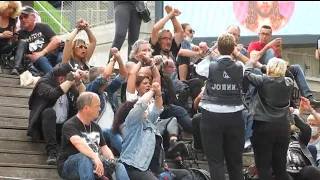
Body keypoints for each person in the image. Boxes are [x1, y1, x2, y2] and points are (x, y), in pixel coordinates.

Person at [119, 81, 192, 180]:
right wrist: (152, 90)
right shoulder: (131, 123)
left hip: (153, 169)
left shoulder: (148, 122)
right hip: (134, 167)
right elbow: (141, 104)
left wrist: (158, 93)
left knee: (185, 174)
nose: (145, 111)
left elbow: (157, 108)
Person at [198, 33, 246, 180]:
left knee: (215, 162)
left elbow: (199, 69)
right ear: (233, 48)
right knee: (236, 163)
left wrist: (209, 52)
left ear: (217, 47)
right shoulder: (241, 66)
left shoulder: (209, 65)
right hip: (235, 116)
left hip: (211, 116)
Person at [57, 92, 129, 180]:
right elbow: (78, 143)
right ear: (86, 107)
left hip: (93, 164)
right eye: (97, 106)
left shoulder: (96, 127)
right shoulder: (70, 124)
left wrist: (111, 161)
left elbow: (104, 148)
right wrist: (95, 157)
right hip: (69, 166)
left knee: (119, 166)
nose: (100, 109)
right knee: (84, 158)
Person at [28, 62, 86, 165]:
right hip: (43, 129)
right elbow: (52, 95)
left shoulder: (70, 87)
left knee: (78, 114)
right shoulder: (43, 83)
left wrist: (78, 82)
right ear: (61, 78)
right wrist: (69, 81)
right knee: (49, 112)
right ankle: (52, 152)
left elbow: (84, 99)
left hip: (63, 128)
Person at [248, 25, 320, 107]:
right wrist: (268, 46)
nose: (264, 36)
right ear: (259, 34)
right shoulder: (253, 44)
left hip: (277, 72)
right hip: (262, 71)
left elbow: (280, 63)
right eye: (263, 34)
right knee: (270, 51)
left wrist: (279, 54)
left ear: (270, 36)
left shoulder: (273, 47)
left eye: (267, 34)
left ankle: (308, 97)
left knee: (296, 68)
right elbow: (253, 58)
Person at [246, 57, 293, 180]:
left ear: (269, 68)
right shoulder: (289, 82)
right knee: (280, 168)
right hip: (284, 127)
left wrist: (251, 61)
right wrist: (273, 68)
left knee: (264, 167)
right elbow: (287, 73)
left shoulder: (263, 80)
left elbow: (247, 73)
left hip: (264, 126)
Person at [18, 6, 62, 74]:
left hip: (51, 56)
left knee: (61, 58)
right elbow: (19, 52)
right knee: (41, 59)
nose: (23, 19)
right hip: (37, 61)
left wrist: (42, 53)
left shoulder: (43, 27)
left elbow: (57, 40)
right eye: (20, 18)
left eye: (26, 16)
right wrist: (29, 56)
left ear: (33, 17)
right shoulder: (20, 33)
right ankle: (55, 79)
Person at [287, 98, 320, 180]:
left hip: (301, 172)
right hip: (283, 171)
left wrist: (292, 115)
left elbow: (306, 129)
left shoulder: (298, 138)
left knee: (312, 171)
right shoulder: (272, 138)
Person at [0, 1, 27, 75]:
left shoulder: (13, 20)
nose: (11, 10)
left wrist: (14, 37)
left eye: (14, 9)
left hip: (5, 48)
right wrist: (2, 35)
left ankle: (16, 68)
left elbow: (13, 39)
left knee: (22, 42)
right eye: (10, 7)